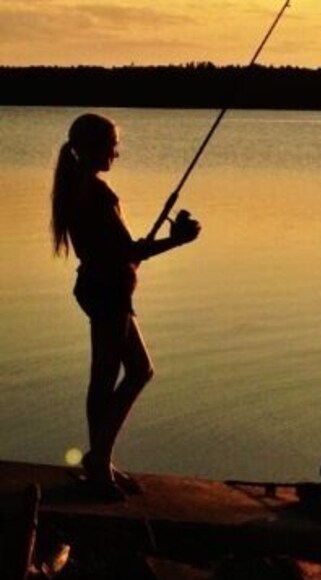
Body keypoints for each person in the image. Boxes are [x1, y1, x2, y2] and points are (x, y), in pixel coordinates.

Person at [51, 113, 201, 499]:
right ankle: (99, 463)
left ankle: (100, 458)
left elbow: (120, 252)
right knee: (116, 375)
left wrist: (163, 243)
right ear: (95, 148)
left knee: (133, 370)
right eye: (112, 144)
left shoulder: (76, 187)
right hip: (107, 292)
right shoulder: (98, 194)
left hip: (100, 288)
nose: (117, 152)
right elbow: (128, 252)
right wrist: (178, 240)